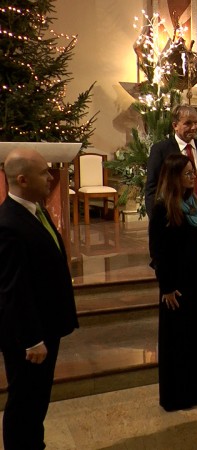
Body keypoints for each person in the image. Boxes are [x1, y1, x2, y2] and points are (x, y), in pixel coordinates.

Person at [0, 148, 78, 449]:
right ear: (22, 179)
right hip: (29, 336)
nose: (51, 177)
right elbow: (13, 290)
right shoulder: (8, 225)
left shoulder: (35, 209)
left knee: (37, 400)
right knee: (24, 401)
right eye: (44, 172)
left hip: (46, 324)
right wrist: (32, 339)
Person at [148, 154, 197, 410]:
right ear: (173, 176)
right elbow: (158, 252)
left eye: (193, 173)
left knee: (196, 336)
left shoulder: (194, 203)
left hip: (196, 281)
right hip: (176, 285)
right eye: (187, 174)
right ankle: (177, 394)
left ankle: (196, 388)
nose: (192, 177)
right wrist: (167, 287)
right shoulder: (163, 206)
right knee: (178, 341)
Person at [144, 104, 197, 301]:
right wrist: (160, 219)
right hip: (174, 221)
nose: (193, 127)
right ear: (175, 125)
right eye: (188, 123)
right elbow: (152, 187)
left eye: (196, 123)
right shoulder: (161, 149)